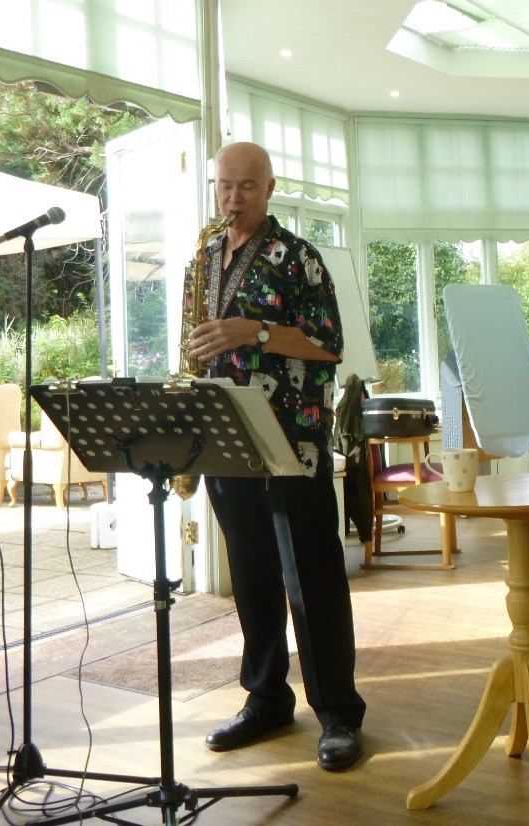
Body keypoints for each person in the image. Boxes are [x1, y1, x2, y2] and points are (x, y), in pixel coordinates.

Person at [183, 141, 366, 771]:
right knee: (252, 575)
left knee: (312, 577)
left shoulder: (300, 256)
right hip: (226, 435)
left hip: (293, 439)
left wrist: (253, 332)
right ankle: (265, 699)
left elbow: (329, 343)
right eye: (224, 185)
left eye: (247, 186)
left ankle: (339, 711)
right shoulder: (205, 256)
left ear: (269, 188)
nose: (233, 198)